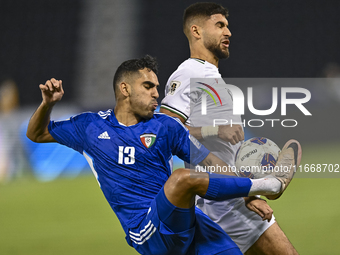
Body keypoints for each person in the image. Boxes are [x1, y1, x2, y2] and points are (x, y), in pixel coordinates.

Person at [26, 56, 301, 255]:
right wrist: (47, 104)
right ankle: (271, 184)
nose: (157, 94)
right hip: (146, 229)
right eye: (148, 87)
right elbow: (36, 134)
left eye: (157, 87)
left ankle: (259, 187)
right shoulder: (89, 127)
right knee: (182, 178)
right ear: (125, 89)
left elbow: (211, 163)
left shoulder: (166, 126)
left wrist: (247, 196)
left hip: (186, 222)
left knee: (186, 180)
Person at [160, 3, 299, 254]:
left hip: (228, 195)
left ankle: (266, 185)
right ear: (196, 31)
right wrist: (215, 131)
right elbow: (164, 131)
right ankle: (273, 185)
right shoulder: (189, 72)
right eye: (220, 25)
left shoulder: (210, 75)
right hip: (224, 203)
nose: (229, 32)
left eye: (227, 25)